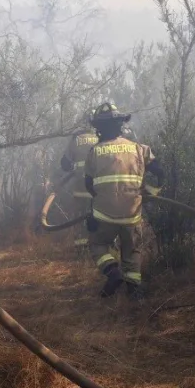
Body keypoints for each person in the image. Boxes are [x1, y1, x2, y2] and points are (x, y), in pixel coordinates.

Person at [83, 102, 164, 298]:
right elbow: (160, 172)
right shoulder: (139, 149)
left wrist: (96, 208)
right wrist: (152, 193)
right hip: (132, 214)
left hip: (104, 214)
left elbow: (88, 185)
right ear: (120, 125)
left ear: (99, 128)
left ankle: (112, 272)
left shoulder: (95, 151)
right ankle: (134, 290)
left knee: (97, 244)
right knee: (132, 250)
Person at [58, 117, 100, 253]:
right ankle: (99, 247)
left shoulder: (75, 139)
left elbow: (64, 163)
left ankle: (80, 249)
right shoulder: (101, 137)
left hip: (80, 188)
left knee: (79, 217)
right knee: (100, 216)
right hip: (98, 189)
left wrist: (73, 167)